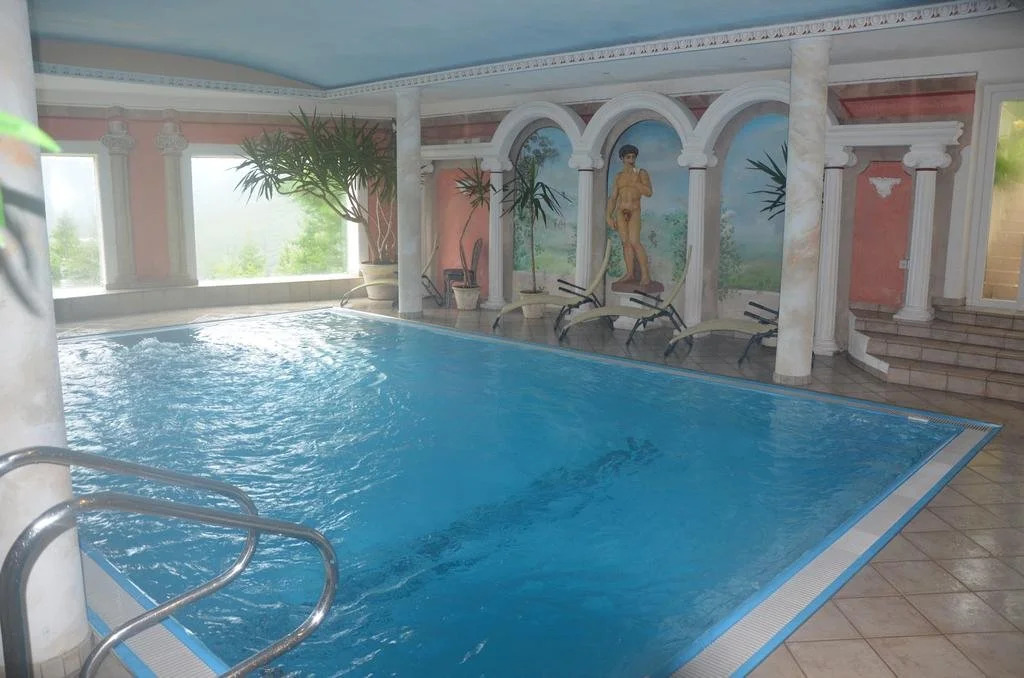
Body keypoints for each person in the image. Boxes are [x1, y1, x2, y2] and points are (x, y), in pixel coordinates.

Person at [606, 144, 655, 290]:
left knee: (634, 242)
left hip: (634, 211)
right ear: (622, 159)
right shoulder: (619, 176)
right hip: (621, 212)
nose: (631, 160)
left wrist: (636, 183)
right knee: (626, 243)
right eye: (628, 157)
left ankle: (645, 275)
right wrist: (608, 216)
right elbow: (613, 198)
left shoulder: (641, 173)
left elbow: (648, 192)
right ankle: (630, 274)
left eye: (633, 157)